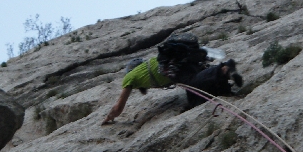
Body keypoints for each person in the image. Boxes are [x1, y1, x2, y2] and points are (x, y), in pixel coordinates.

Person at [101, 52, 243, 125]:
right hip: (180, 62)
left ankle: (223, 69)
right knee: (195, 96)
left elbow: (118, 108)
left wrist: (109, 117)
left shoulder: (130, 77)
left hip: (177, 68)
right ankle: (223, 86)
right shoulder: (151, 63)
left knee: (193, 85)